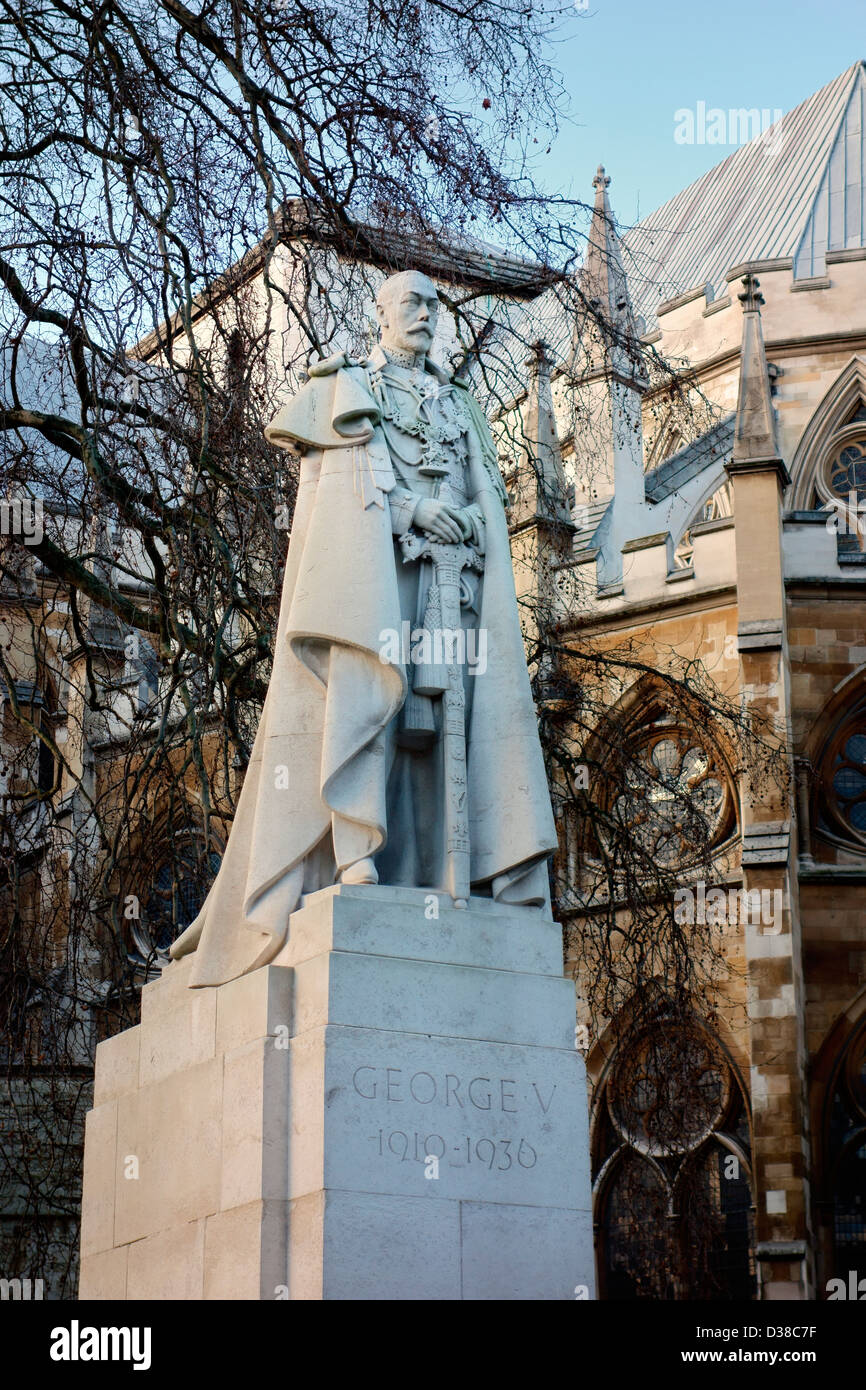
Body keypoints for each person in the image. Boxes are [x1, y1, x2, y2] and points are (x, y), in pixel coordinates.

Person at [171, 269, 557, 986]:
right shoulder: (350, 389)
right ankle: (356, 856)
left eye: (433, 305)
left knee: (446, 726)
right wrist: (414, 511)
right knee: (368, 699)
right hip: (378, 583)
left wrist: (471, 518)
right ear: (379, 314)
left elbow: (483, 494)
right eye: (410, 303)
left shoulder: (461, 403)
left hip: (453, 583)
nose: (425, 315)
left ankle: (447, 870)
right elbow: (345, 490)